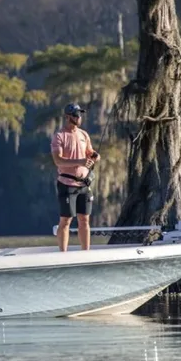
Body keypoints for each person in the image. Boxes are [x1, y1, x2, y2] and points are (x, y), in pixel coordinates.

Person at [50, 103, 100, 251]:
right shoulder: (59, 136)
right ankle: (63, 254)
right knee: (66, 220)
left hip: (84, 185)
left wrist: (95, 156)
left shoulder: (84, 135)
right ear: (67, 117)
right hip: (67, 184)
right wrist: (80, 161)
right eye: (76, 115)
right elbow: (58, 160)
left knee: (84, 220)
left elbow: (90, 152)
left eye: (80, 114)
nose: (79, 117)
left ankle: (86, 252)